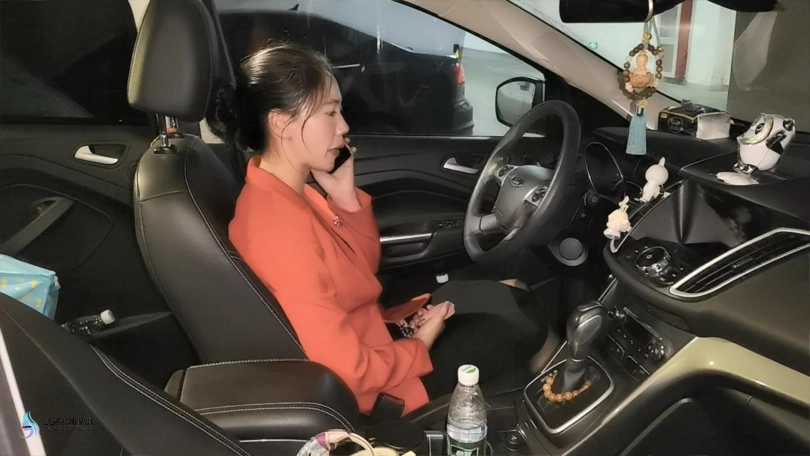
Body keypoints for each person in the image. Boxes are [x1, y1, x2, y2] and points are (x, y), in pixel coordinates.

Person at [207, 42, 548, 415]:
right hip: (381, 391)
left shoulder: (286, 193)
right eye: (330, 112)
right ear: (281, 123)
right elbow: (347, 370)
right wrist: (418, 344)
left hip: (375, 337)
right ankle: (553, 408)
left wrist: (344, 196)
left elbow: (361, 270)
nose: (343, 126)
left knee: (510, 290)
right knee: (524, 319)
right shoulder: (278, 229)